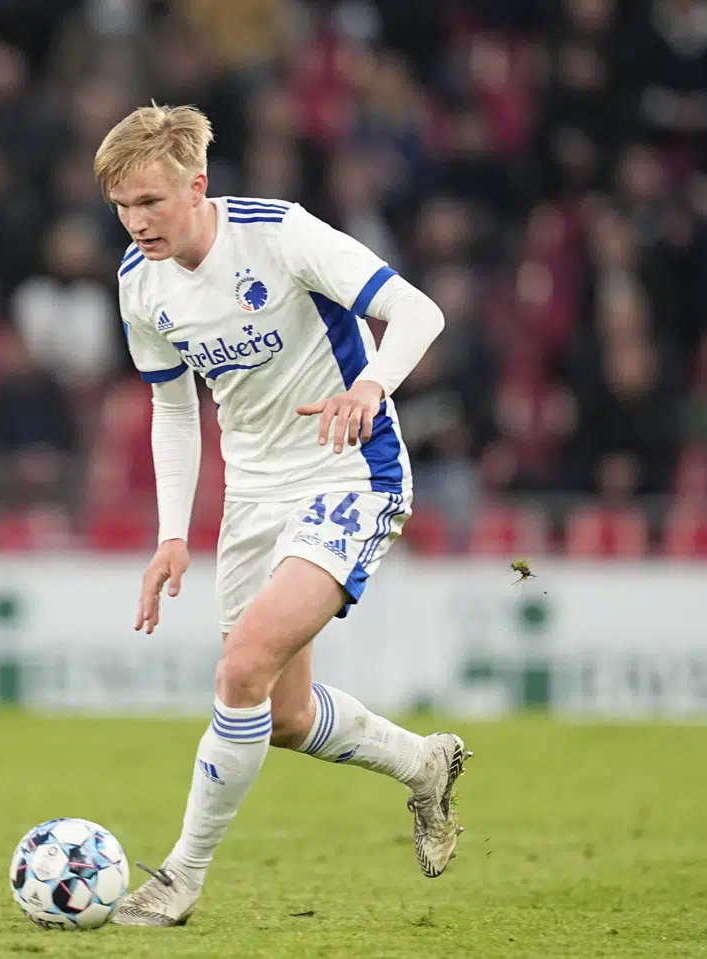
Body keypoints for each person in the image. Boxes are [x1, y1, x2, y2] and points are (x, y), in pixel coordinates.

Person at [95, 104, 469, 927]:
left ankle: (179, 879)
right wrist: (169, 534)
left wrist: (372, 386)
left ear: (198, 184)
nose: (137, 222)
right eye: (122, 206)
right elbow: (175, 410)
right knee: (285, 715)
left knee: (238, 670)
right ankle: (425, 765)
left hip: (349, 471)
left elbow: (419, 312)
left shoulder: (283, 235)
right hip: (254, 497)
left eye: (152, 201)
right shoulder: (139, 283)